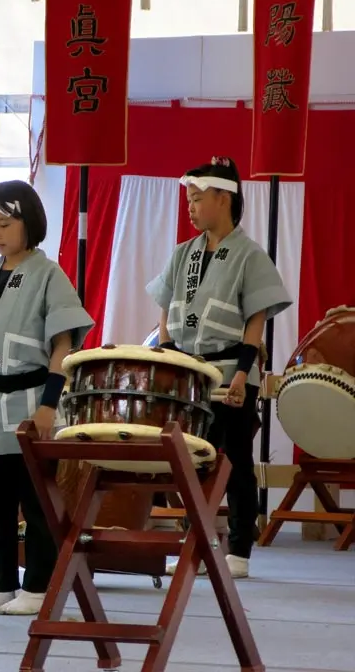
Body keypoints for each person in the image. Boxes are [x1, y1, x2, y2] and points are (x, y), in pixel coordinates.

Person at [0, 180, 93, 616]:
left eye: (5, 224)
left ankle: (39, 585)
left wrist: (50, 404)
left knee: (37, 498)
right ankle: (3, 582)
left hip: (30, 399)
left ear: (29, 222)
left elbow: (63, 346)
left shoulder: (50, 275)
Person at [147, 156, 291, 580]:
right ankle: (198, 544)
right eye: (188, 200)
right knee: (193, 462)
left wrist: (244, 376)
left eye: (196, 199)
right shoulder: (182, 254)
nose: (189, 208)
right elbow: (165, 313)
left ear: (224, 198)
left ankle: (240, 550)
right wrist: (170, 359)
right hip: (188, 372)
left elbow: (255, 322)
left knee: (236, 460)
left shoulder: (249, 255)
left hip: (230, 372)